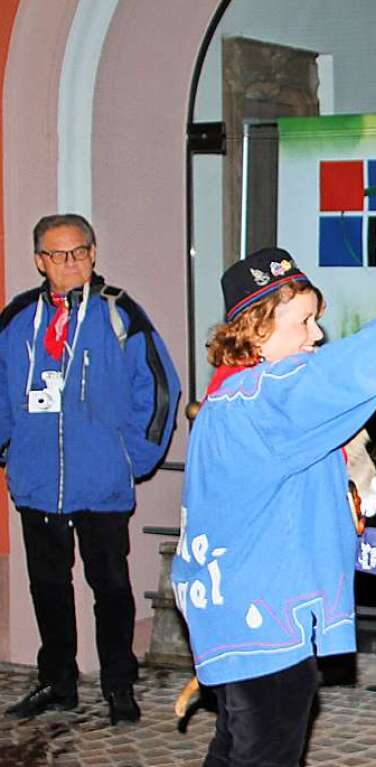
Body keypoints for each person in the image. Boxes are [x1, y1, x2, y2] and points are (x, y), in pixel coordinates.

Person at [171, 245, 376, 766]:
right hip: (264, 624)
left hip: (242, 614)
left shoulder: (235, 398)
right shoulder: (263, 396)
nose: (316, 335)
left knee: (235, 748)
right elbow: (349, 373)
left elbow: (280, 489)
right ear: (256, 330)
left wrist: (367, 499)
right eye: (302, 322)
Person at [1, 213, 181, 724]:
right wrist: (7, 446)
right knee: (49, 589)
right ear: (40, 261)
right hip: (37, 483)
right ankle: (57, 682)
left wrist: (133, 458)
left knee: (112, 589)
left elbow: (160, 389)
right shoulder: (17, 319)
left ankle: (119, 686)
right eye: (58, 255)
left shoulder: (120, 315)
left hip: (102, 482)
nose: (70, 263)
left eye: (79, 252)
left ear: (94, 253)